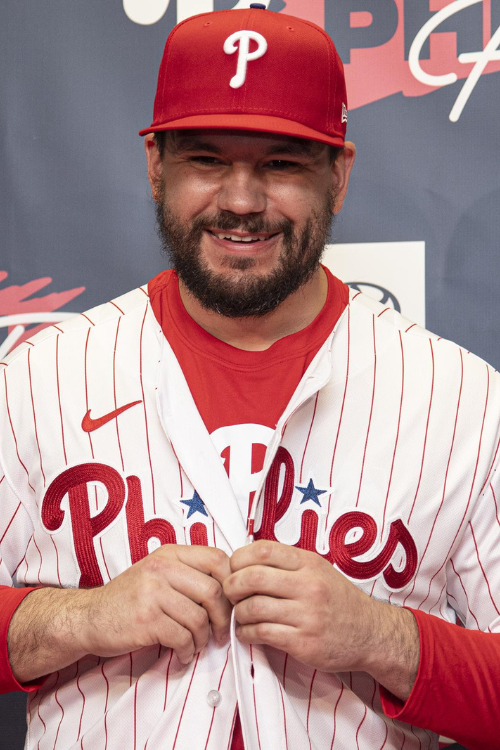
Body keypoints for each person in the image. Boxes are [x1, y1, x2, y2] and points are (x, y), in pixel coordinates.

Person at [0, 6, 499, 749]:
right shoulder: (37, 376)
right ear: (154, 165)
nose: (240, 199)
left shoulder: (459, 395)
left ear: (340, 175)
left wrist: (386, 639)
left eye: (281, 163)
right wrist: (82, 617)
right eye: (206, 159)